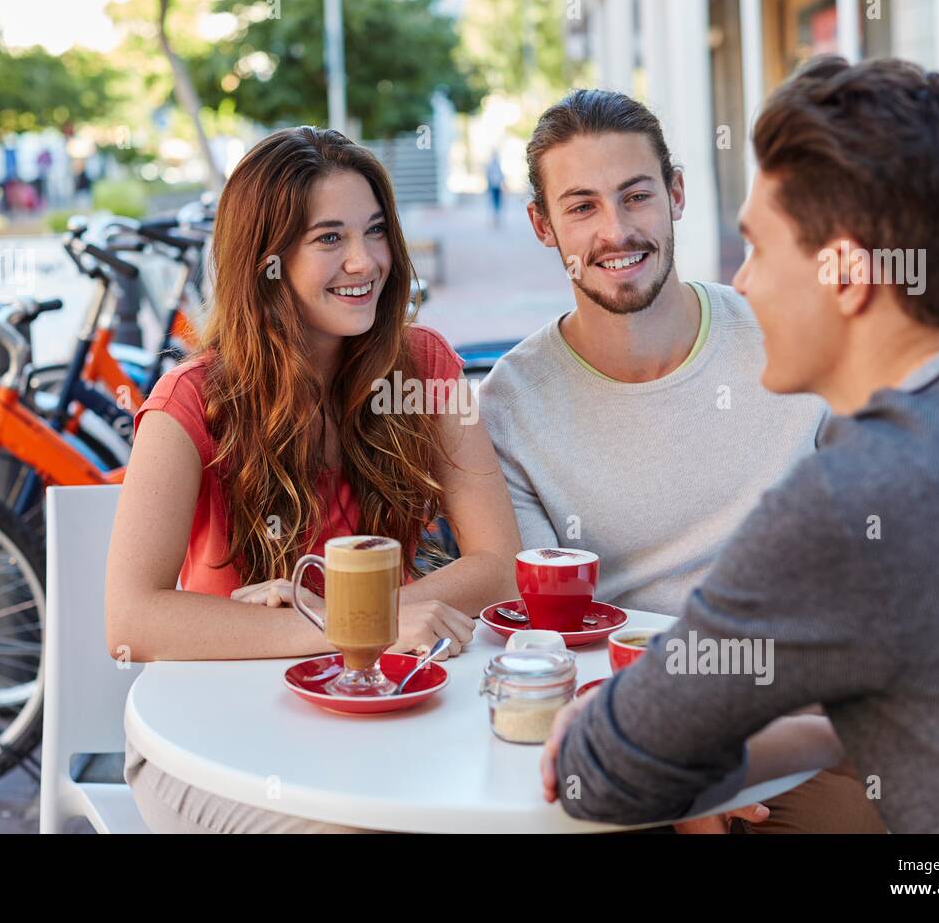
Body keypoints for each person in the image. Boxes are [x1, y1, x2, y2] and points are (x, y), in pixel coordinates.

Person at [542, 56, 939, 833]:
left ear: (847, 274)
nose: (745, 283)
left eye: (759, 247)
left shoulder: (858, 501)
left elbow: (604, 771)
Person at [480, 89, 874, 833]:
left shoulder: (789, 335)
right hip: (627, 726)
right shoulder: (512, 403)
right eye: (582, 207)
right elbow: (553, 627)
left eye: (636, 196)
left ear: (677, 195)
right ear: (541, 224)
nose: (617, 230)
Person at [107, 126, 521, 833]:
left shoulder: (423, 367)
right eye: (328, 238)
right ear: (264, 260)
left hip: (373, 720)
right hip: (211, 742)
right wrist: (349, 623)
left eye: (374, 231)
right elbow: (131, 621)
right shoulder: (191, 401)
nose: (365, 261)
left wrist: (352, 630)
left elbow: (500, 564)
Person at [486, 151, 505, 228]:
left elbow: (501, 175)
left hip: (497, 186)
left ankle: (496, 218)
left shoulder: (497, 165)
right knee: (492, 203)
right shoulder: (491, 166)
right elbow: (488, 176)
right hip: (492, 187)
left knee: (497, 203)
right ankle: (493, 218)